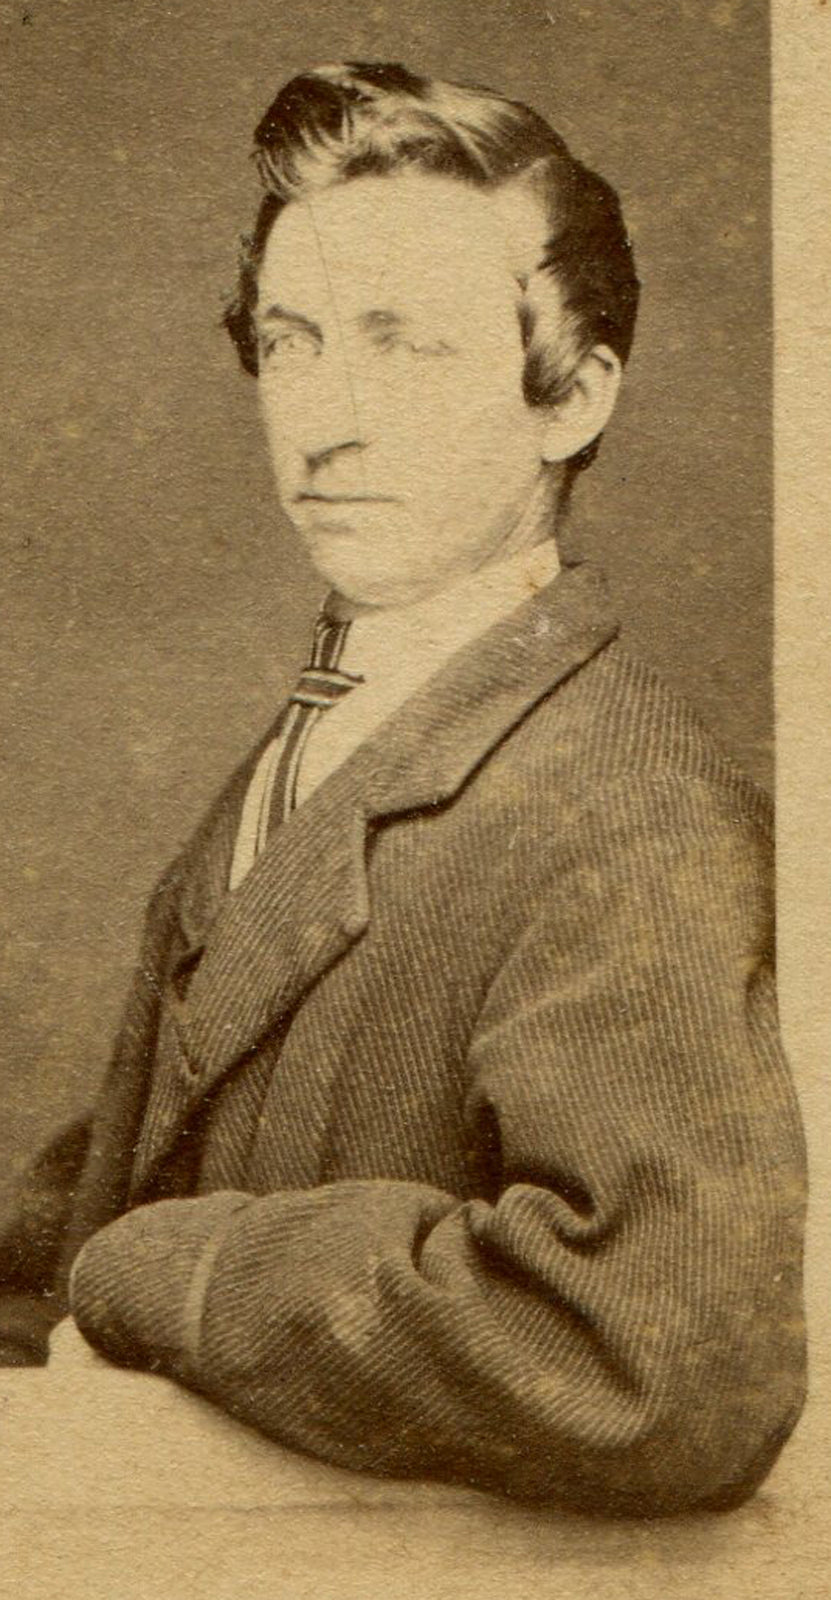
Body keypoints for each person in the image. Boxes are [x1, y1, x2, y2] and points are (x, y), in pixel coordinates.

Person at [0, 61, 807, 1517]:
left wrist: (174, 1270)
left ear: (569, 397)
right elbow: (96, 1208)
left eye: (404, 346)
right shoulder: (320, 739)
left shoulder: (624, 806)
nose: (325, 421)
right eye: (295, 343)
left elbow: (670, 1363)